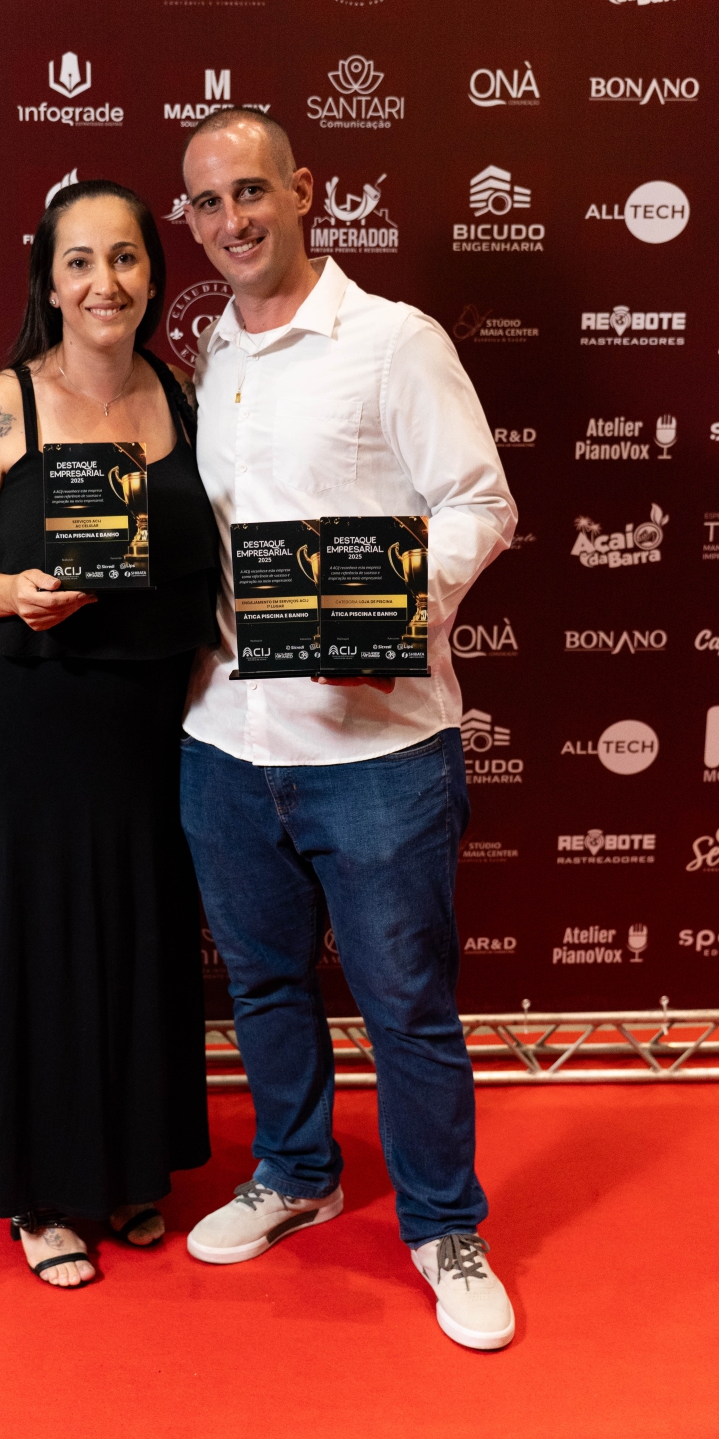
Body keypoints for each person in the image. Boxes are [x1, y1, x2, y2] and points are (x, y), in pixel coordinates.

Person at [176, 111, 519, 1351]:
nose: (231, 220)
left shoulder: (392, 341)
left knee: (405, 1004)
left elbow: (479, 501)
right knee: (265, 984)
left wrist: (389, 611)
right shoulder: (207, 354)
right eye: (206, 203)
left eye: (250, 191)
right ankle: (296, 1171)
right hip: (224, 740)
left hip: (377, 751)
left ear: (304, 190)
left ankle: (444, 1224)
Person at [0, 180, 219, 1288]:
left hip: (143, 724)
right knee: (36, 942)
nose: (103, 282)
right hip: (21, 719)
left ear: (154, 275)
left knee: (132, 936)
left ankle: (127, 1170)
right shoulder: (5, 407)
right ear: (48, 282)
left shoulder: (181, 393)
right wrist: (12, 593)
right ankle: (40, 1193)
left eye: (124, 257)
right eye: (79, 261)